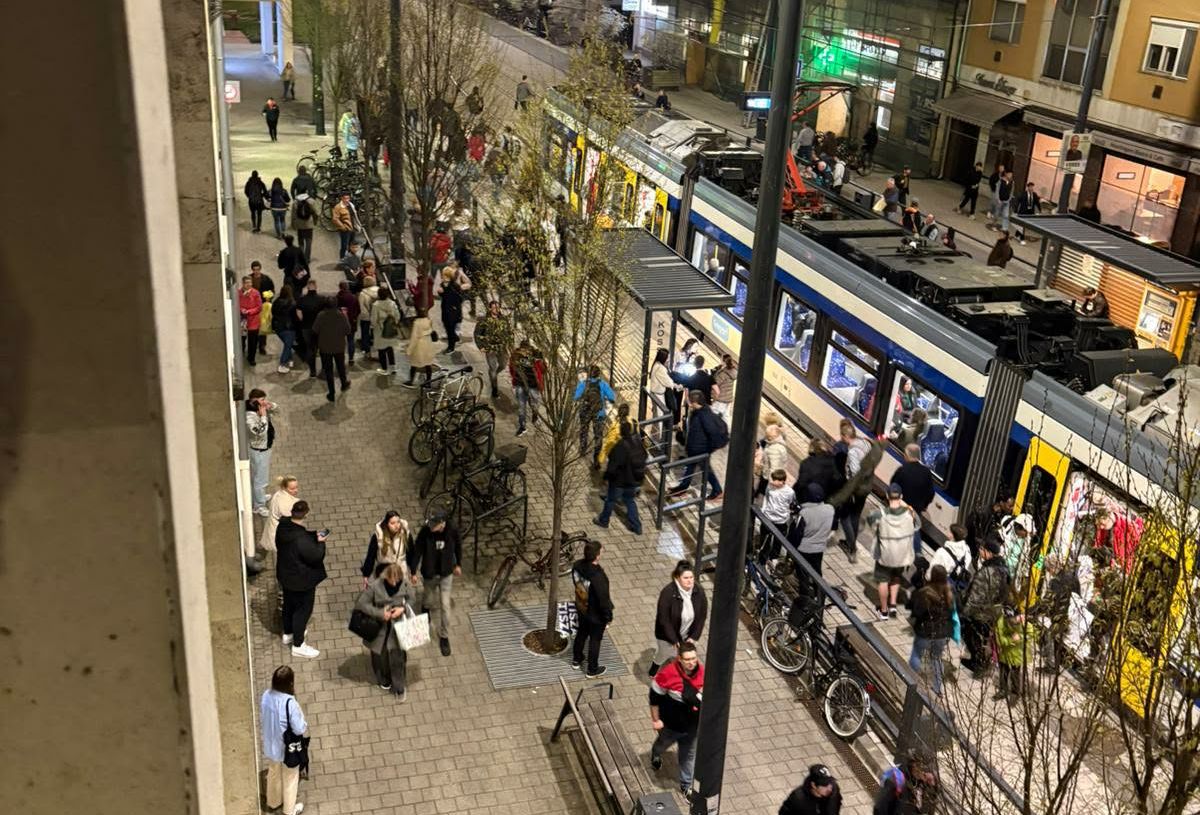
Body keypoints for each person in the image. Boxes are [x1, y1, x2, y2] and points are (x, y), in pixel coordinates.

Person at [355, 563, 417, 700]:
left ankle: (399, 688)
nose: (394, 584)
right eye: (391, 580)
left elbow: (412, 599)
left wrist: (403, 609)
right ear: (386, 577)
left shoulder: (405, 584)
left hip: (397, 628)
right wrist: (380, 613)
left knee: (397, 658)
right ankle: (384, 679)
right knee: (379, 656)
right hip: (378, 628)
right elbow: (362, 603)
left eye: (397, 581)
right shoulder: (375, 586)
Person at [648, 641, 703, 794]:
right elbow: (654, 698)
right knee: (661, 745)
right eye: (687, 659)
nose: (692, 662)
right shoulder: (667, 674)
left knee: (688, 756)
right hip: (670, 725)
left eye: (694, 658)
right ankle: (656, 754)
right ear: (679, 658)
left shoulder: (702, 673)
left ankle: (686, 786)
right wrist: (656, 720)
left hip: (691, 727)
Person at [275, 500, 328, 658]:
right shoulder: (301, 539)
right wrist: (321, 543)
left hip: (285, 576)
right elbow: (315, 556)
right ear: (306, 514)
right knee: (303, 611)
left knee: (289, 605)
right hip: (301, 581)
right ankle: (298, 645)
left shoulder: (282, 527)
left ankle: (288, 633)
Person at [408, 513, 461, 657]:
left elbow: (458, 547)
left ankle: (444, 636)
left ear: (442, 523)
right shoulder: (425, 531)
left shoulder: (452, 530)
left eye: (434, 525)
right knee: (428, 600)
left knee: (445, 605)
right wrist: (413, 571)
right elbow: (418, 550)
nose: (430, 527)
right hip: (430, 574)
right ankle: (425, 610)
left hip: (446, 574)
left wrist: (458, 564)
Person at [829, 419, 882, 562]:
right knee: (856, 514)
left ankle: (852, 548)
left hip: (856, 489)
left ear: (845, 436)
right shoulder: (865, 443)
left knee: (845, 516)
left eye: (842, 436)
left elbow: (855, 473)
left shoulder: (852, 452)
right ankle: (849, 543)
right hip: (867, 486)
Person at [260, 666, 308, 815]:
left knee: (274, 773)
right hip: (287, 750)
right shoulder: (290, 703)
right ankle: (289, 810)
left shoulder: (266, 695)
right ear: (290, 683)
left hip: (270, 745)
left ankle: (273, 802)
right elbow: (299, 729)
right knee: (290, 777)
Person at [866, 484, 917, 620]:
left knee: (883, 581)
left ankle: (884, 612)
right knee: (896, 577)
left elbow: (870, 521)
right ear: (901, 497)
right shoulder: (909, 514)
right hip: (902, 556)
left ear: (887, 496)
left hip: (885, 556)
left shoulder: (880, 514)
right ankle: (893, 605)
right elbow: (917, 522)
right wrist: (904, 504)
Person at [666, 390, 726, 501]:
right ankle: (683, 487)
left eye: (689, 400)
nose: (687, 402)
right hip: (695, 448)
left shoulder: (704, 416)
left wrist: (709, 449)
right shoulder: (698, 412)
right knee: (691, 467)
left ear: (694, 402)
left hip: (701, 450)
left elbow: (713, 433)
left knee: (706, 470)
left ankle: (717, 490)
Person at [961, 539, 1010, 674]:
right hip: (994, 611)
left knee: (973, 636)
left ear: (988, 552)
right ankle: (983, 661)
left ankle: (977, 663)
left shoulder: (987, 572)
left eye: (982, 549)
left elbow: (976, 597)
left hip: (981, 612)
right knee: (984, 637)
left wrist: (965, 612)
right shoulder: (1004, 569)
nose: (980, 551)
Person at [651, 562, 708, 676]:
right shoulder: (668, 593)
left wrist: (694, 636)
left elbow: (702, 615)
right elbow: (664, 619)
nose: (689, 581)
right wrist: (673, 640)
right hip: (667, 636)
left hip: (687, 635)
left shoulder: (699, 591)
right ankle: (654, 669)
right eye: (686, 578)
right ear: (678, 578)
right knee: (663, 654)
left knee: (685, 657)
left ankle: (681, 674)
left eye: (691, 577)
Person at [594, 420, 648, 534]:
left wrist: (605, 477)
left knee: (610, 500)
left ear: (621, 432)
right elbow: (645, 456)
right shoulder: (637, 442)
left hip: (619, 481)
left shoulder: (620, 446)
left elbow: (613, 466)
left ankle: (604, 520)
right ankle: (637, 526)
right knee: (630, 501)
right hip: (633, 481)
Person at [571, 539, 614, 678]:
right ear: (597, 556)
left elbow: (576, 583)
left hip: (582, 607)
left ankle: (577, 659)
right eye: (601, 551)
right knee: (595, 640)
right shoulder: (598, 577)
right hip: (595, 614)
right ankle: (592, 669)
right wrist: (608, 617)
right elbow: (604, 600)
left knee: (581, 633)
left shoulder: (577, 566)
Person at [910, 565, 954, 696]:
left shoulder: (925, 592)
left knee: (916, 655)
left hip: (925, 632)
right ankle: (937, 688)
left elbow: (917, 612)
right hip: (941, 633)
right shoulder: (949, 593)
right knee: (936, 659)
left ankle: (911, 680)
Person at [890, 443, 934, 555]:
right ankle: (917, 554)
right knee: (915, 529)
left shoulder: (902, 470)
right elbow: (931, 492)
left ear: (907, 455)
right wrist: (924, 505)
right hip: (916, 509)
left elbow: (893, 486)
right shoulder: (926, 472)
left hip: (901, 508)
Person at [573, 365, 618, 465]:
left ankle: (582, 448)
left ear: (589, 374)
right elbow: (612, 397)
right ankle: (596, 458)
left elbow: (575, 397)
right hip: (598, 412)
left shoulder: (583, 384)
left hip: (585, 411)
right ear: (599, 374)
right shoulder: (603, 384)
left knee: (584, 430)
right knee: (598, 436)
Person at [312, 297, 352, 402]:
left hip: (325, 347)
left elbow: (315, 329)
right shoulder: (341, 315)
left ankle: (331, 393)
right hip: (339, 347)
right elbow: (348, 330)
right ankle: (344, 384)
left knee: (328, 370)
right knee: (341, 366)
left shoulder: (321, 315)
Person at [245, 388, 277, 515]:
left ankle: (260, 497)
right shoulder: (249, 416)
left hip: (265, 447)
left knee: (261, 477)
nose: (264, 402)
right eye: (262, 400)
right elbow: (259, 431)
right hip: (258, 451)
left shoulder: (259, 407)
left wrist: (270, 405)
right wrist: (263, 416)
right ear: (254, 401)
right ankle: (258, 506)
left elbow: (277, 410)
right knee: (260, 480)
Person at [793, 483, 836, 577]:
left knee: (802, 573)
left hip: (804, 548)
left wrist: (793, 547)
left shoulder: (804, 513)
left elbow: (798, 534)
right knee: (816, 571)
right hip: (819, 547)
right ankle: (818, 586)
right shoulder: (830, 509)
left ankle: (804, 586)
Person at [995, 605, 1036, 701]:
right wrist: (1011, 639)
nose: (1013, 621)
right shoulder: (1001, 623)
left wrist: (1020, 637)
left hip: (1018, 654)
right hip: (1005, 653)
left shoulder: (1024, 623)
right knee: (1003, 673)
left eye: (1015, 618)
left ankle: (1015, 692)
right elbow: (1000, 640)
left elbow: (1031, 634)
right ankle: (1003, 690)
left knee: (1015, 674)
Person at [361, 510, 412, 585]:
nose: (396, 525)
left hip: (400, 570)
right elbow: (371, 555)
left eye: (398, 522)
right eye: (392, 523)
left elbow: (411, 553)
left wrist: (413, 571)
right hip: (384, 571)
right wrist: (366, 575)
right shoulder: (378, 536)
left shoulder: (405, 533)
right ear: (387, 524)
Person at [757, 469, 796, 565]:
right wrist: (764, 510)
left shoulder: (790, 492)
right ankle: (761, 558)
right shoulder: (769, 487)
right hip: (768, 518)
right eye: (773, 479)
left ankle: (773, 558)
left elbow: (791, 502)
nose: (774, 482)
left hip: (781, 521)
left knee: (777, 542)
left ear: (783, 481)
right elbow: (766, 498)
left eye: (777, 480)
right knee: (764, 539)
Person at [509, 339, 545, 435]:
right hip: (520, 384)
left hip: (533, 385)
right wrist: (515, 379)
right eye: (523, 349)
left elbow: (544, 370)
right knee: (521, 406)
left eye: (526, 350)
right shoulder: (516, 355)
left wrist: (540, 361)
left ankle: (535, 417)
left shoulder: (535, 356)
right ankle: (522, 426)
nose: (524, 352)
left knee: (534, 404)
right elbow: (512, 368)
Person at [475, 301, 510, 398]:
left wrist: (509, 343)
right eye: (494, 308)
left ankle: (494, 374)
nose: (496, 309)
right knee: (493, 368)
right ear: (490, 309)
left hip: (502, 348)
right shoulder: (484, 320)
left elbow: (508, 331)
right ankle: (494, 389)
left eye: (498, 307)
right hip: (490, 348)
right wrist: (481, 346)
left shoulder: (503, 319)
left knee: (503, 365)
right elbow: (477, 334)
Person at [435, 266, 471, 354]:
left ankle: (451, 347)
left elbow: (459, 298)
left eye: (444, 275)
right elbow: (444, 296)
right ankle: (455, 338)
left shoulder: (455, 286)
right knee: (447, 326)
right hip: (445, 308)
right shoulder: (443, 284)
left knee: (450, 329)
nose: (442, 276)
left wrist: (454, 306)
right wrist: (440, 293)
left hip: (453, 311)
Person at [966, 490, 1014, 555]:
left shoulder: (999, 516)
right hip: (971, 549)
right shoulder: (983, 513)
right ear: (1001, 503)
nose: (1012, 508)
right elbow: (972, 531)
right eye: (1010, 506)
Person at [260, 476, 299, 553]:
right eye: (292, 489)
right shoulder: (286, 503)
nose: (296, 490)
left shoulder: (278, 494)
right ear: (284, 488)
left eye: (296, 487)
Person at [370, 288, 403, 375]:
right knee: (390, 348)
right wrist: (393, 323)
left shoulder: (376, 305)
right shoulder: (392, 303)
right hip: (390, 329)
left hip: (380, 330)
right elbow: (397, 316)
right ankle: (393, 367)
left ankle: (384, 368)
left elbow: (373, 320)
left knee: (381, 350)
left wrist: (375, 326)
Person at [755, 424, 791, 497]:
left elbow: (774, 468)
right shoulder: (775, 442)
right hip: (768, 473)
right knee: (761, 487)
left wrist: (772, 483)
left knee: (764, 491)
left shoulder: (775, 450)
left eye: (767, 436)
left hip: (769, 477)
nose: (766, 438)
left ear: (771, 437)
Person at [296, 279, 323, 377]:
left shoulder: (302, 299)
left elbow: (299, 313)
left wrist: (303, 320)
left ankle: (313, 371)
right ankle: (324, 369)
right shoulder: (321, 299)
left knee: (310, 348)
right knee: (321, 348)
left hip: (306, 327)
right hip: (319, 327)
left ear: (307, 287)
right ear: (316, 287)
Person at [402, 316, 438, 388]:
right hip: (428, 343)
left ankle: (411, 381)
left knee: (414, 364)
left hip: (419, 345)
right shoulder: (428, 319)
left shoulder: (417, 323)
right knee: (428, 363)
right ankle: (428, 382)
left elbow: (414, 338)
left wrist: (409, 350)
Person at [272, 284, 298, 374]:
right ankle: (282, 364)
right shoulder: (292, 303)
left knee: (288, 344)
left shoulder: (276, 302)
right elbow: (295, 317)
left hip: (278, 327)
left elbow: (273, 312)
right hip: (289, 328)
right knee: (288, 346)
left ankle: (290, 359)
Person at [239, 275, 263, 366]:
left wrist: (249, 311)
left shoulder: (256, 293)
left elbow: (259, 307)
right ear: (243, 283)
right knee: (241, 340)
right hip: (242, 322)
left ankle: (251, 358)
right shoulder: (238, 293)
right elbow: (235, 304)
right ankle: (240, 355)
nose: (249, 284)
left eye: (250, 282)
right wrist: (241, 309)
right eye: (246, 283)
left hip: (253, 321)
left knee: (253, 342)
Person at [335, 281, 360, 366]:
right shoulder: (353, 297)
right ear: (348, 287)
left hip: (340, 322)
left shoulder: (337, 297)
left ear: (340, 287)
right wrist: (354, 317)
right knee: (351, 340)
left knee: (340, 341)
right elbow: (358, 310)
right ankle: (351, 358)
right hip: (351, 322)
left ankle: (340, 358)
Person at [356, 274, 379, 358]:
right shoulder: (378, 290)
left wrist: (364, 315)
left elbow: (361, 306)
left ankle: (367, 351)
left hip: (366, 316)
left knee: (365, 333)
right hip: (377, 315)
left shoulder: (362, 293)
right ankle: (378, 350)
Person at [291, 193, 317, 261]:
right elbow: (315, 213)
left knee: (300, 242)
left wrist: (293, 224)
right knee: (308, 241)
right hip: (309, 224)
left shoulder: (295, 202)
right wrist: (315, 222)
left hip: (299, 225)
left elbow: (293, 215)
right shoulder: (311, 201)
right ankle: (307, 258)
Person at [711, 354, 737, 419]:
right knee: (725, 417)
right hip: (728, 398)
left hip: (720, 398)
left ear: (723, 361)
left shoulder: (723, 374)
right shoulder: (733, 371)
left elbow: (715, 384)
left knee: (714, 416)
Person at [332, 192, 355, 258]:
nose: (347, 200)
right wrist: (343, 227)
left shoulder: (350, 205)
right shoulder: (338, 207)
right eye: (345, 198)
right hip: (345, 229)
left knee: (352, 245)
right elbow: (335, 219)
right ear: (342, 198)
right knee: (344, 246)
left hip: (352, 228)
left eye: (348, 198)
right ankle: (342, 259)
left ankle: (351, 259)